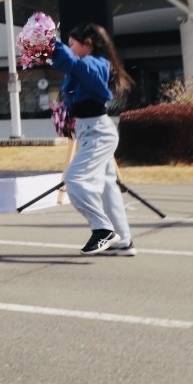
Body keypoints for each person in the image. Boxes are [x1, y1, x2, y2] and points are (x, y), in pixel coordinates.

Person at [48, 23, 135, 256]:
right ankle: (123, 240)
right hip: (93, 130)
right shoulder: (84, 66)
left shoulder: (95, 64)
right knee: (107, 187)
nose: (69, 47)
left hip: (98, 133)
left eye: (72, 43)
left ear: (89, 44)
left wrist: (50, 42)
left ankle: (102, 229)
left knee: (75, 180)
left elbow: (72, 64)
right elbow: (70, 70)